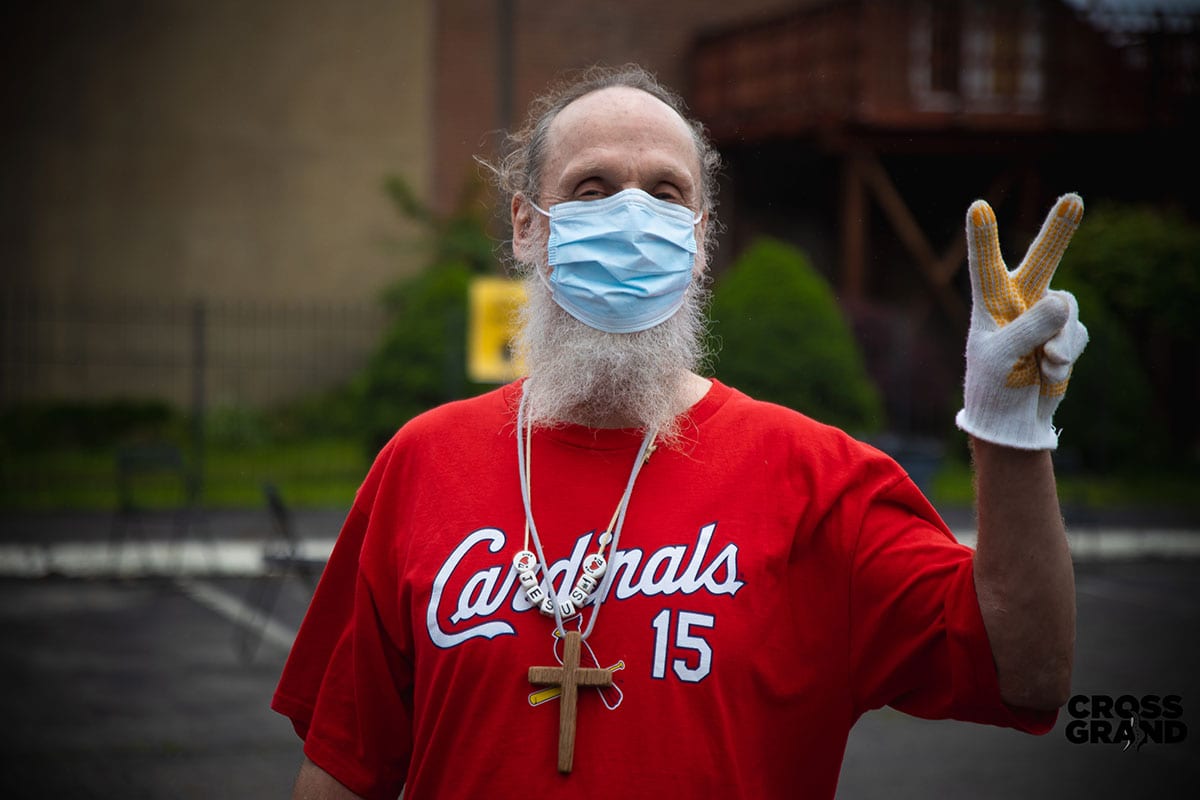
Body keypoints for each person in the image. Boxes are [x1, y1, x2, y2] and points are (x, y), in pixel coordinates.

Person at [273, 64, 1087, 800]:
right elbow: (345, 764)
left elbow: (1028, 671)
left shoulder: (819, 479)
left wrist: (1008, 434)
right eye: (591, 188)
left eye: (666, 194)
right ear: (526, 227)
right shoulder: (420, 463)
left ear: (700, 242)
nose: (632, 218)